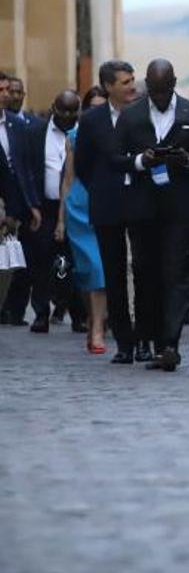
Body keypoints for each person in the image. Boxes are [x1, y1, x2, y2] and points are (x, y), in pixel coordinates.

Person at [114, 58, 189, 372]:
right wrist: (141, 161)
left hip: (179, 210)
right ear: (147, 84)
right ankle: (145, 338)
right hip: (141, 208)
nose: (158, 96)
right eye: (153, 90)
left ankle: (170, 343)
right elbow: (115, 160)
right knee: (145, 274)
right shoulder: (130, 116)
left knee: (175, 275)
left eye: (163, 90)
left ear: (173, 83)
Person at [74, 60, 140, 362]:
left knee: (144, 271)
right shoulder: (91, 120)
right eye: (125, 82)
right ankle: (124, 343)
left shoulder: (143, 114)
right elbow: (83, 166)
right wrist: (104, 188)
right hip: (107, 205)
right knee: (112, 274)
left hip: (142, 202)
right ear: (109, 86)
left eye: (132, 80)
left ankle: (146, 338)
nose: (132, 87)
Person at [25, 91, 84, 334]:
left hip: (76, 208)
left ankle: (79, 315)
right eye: (63, 112)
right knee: (41, 261)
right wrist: (31, 205)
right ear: (53, 108)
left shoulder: (85, 132)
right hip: (45, 207)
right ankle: (41, 313)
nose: (68, 117)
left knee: (74, 262)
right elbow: (26, 169)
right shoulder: (36, 132)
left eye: (73, 112)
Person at [56, 87, 108, 353]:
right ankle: (95, 321)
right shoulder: (75, 136)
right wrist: (61, 220)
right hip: (80, 208)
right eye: (92, 107)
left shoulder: (116, 133)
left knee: (101, 270)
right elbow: (67, 179)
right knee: (91, 270)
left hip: (108, 207)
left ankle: (97, 326)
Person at [0, 71, 43, 327]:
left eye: (8, 89)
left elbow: (24, 168)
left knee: (13, 262)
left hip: (15, 203)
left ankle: (13, 309)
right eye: (1, 90)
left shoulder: (16, 125)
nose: (6, 95)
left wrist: (32, 205)